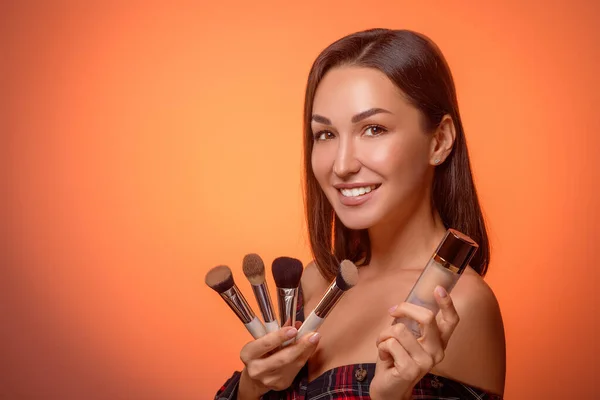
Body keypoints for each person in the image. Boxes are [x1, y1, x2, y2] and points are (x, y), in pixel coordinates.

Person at [215, 28, 506, 399]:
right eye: (325, 134)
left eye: (373, 129)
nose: (341, 165)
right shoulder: (316, 281)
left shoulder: (457, 305)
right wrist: (253, 386)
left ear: (440, 141)